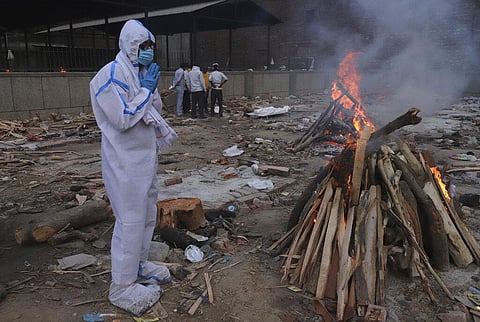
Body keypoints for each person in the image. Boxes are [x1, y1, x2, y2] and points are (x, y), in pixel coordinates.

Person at [89, 19, 176, 317]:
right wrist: (146, 89)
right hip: (124, 163)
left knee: (147, 214)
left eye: (150, 46)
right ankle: (122, 286)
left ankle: (139, 264)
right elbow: (124, 117)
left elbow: (153, 112)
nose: (148, 51)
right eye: (143, 46)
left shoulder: (138, 73)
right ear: (129, 46)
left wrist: (149, 88)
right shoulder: (110, 76)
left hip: (144, 158)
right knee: (129, 221)